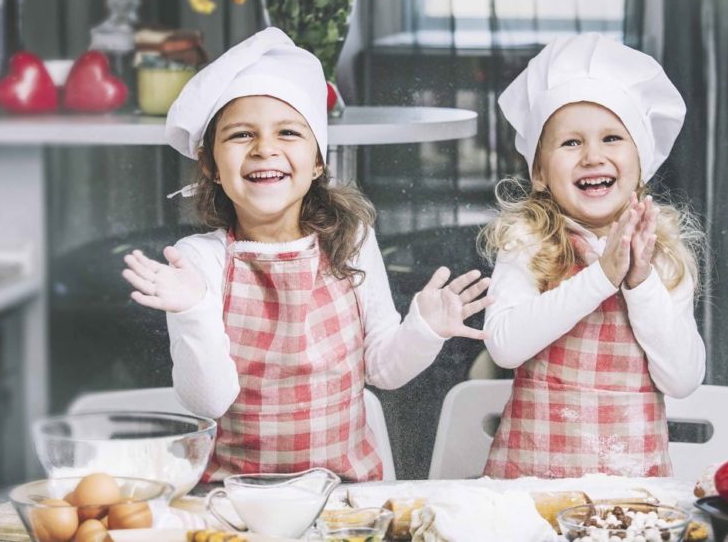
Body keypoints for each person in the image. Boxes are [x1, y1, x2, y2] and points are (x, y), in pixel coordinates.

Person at [121, 28, 491, 482]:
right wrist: (195, 311)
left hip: (348, 498)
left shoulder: (351, 238)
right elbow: (208, 402)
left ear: (318, 160)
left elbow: (383, 369)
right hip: (238, 499)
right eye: (241, 134)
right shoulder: (199, 261)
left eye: (289, 132)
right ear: (210, 165)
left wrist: (425, 329)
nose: (265, 148)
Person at [480, 33, 705, 479]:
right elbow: (504, 346)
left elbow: (682, 379)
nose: (593, 156)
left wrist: (639, 283)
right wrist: (601, 277)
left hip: (634, 495)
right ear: (539, 172)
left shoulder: (661, 255)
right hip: (530, 490)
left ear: (641, 162)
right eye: (570, 143)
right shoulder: (527, 242)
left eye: (611, 138)